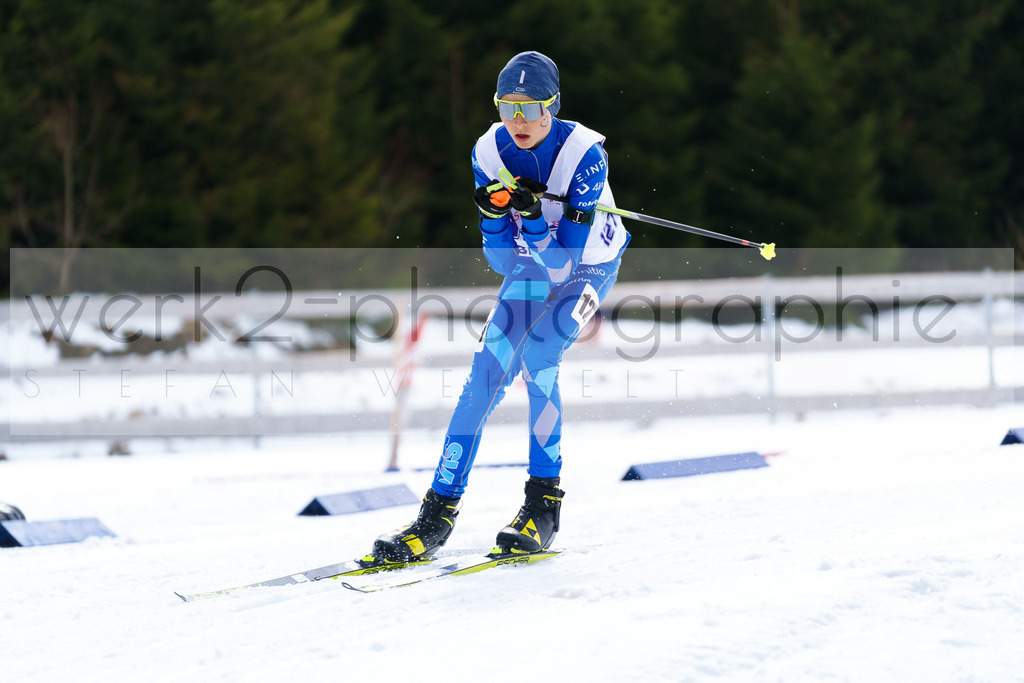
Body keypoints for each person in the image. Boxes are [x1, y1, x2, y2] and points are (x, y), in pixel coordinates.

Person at [371, 50, 629, 562]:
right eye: (507, 107)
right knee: (485, 374)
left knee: (539, 355)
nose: (518, 121)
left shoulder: (584, 155)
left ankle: (543, 507)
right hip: (534, 263)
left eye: (532, 109)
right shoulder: (488, 150)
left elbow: (563, 267)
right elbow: (500, 259)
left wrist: (531, 217)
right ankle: (436, 513)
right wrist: (494, 217)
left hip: (588, 266)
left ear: (553, 107)